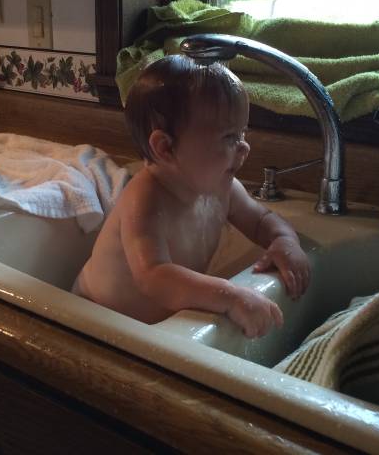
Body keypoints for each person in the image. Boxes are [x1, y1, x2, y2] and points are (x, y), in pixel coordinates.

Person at [72, 55, 310, 338]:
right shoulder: (145, 198)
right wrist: (230, 296)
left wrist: (284, 240)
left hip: (153, 329)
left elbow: (261, 221)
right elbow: (154, 276)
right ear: (165, 147)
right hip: (92, 320)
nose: (244, 147)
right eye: (229, 137)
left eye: (242, 133)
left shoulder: (223, 188)